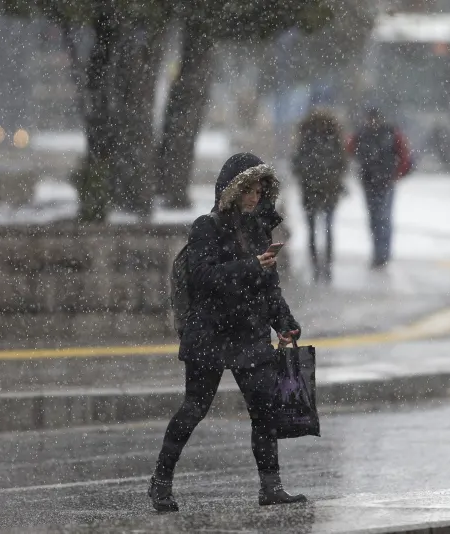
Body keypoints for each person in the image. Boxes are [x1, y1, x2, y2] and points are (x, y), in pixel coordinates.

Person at [149, 153, 306, 512]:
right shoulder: (207, 227)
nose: (254, 197)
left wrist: (286, 324)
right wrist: (250, 266)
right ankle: (160, 481)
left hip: (249, 335)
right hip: (210, 335)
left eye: (259, 190)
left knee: (264, 411)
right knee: (194, 409)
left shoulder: (259, 230)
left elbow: (269, 289)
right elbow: (204, 278)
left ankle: (271, 486)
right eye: (248, 190)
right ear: (232, 191)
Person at [348, 108, 411, 268]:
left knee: (383, 218)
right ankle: (379, 252)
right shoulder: (362, 135)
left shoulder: (389, 133)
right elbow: (349, 150)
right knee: (375, 219)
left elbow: (404, 155)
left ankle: (383, 253)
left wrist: (397, 174)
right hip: (370, 182)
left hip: (385, 182)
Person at [291, 109, 347, 282]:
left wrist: (307, 177)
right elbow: (342, 164)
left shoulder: (307, 140)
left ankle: (320, 263)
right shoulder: (332, 140)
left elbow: (297, 165)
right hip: (323, 191)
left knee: (318, 229)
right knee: (321, 229)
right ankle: (322, 264)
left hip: (315, 190)